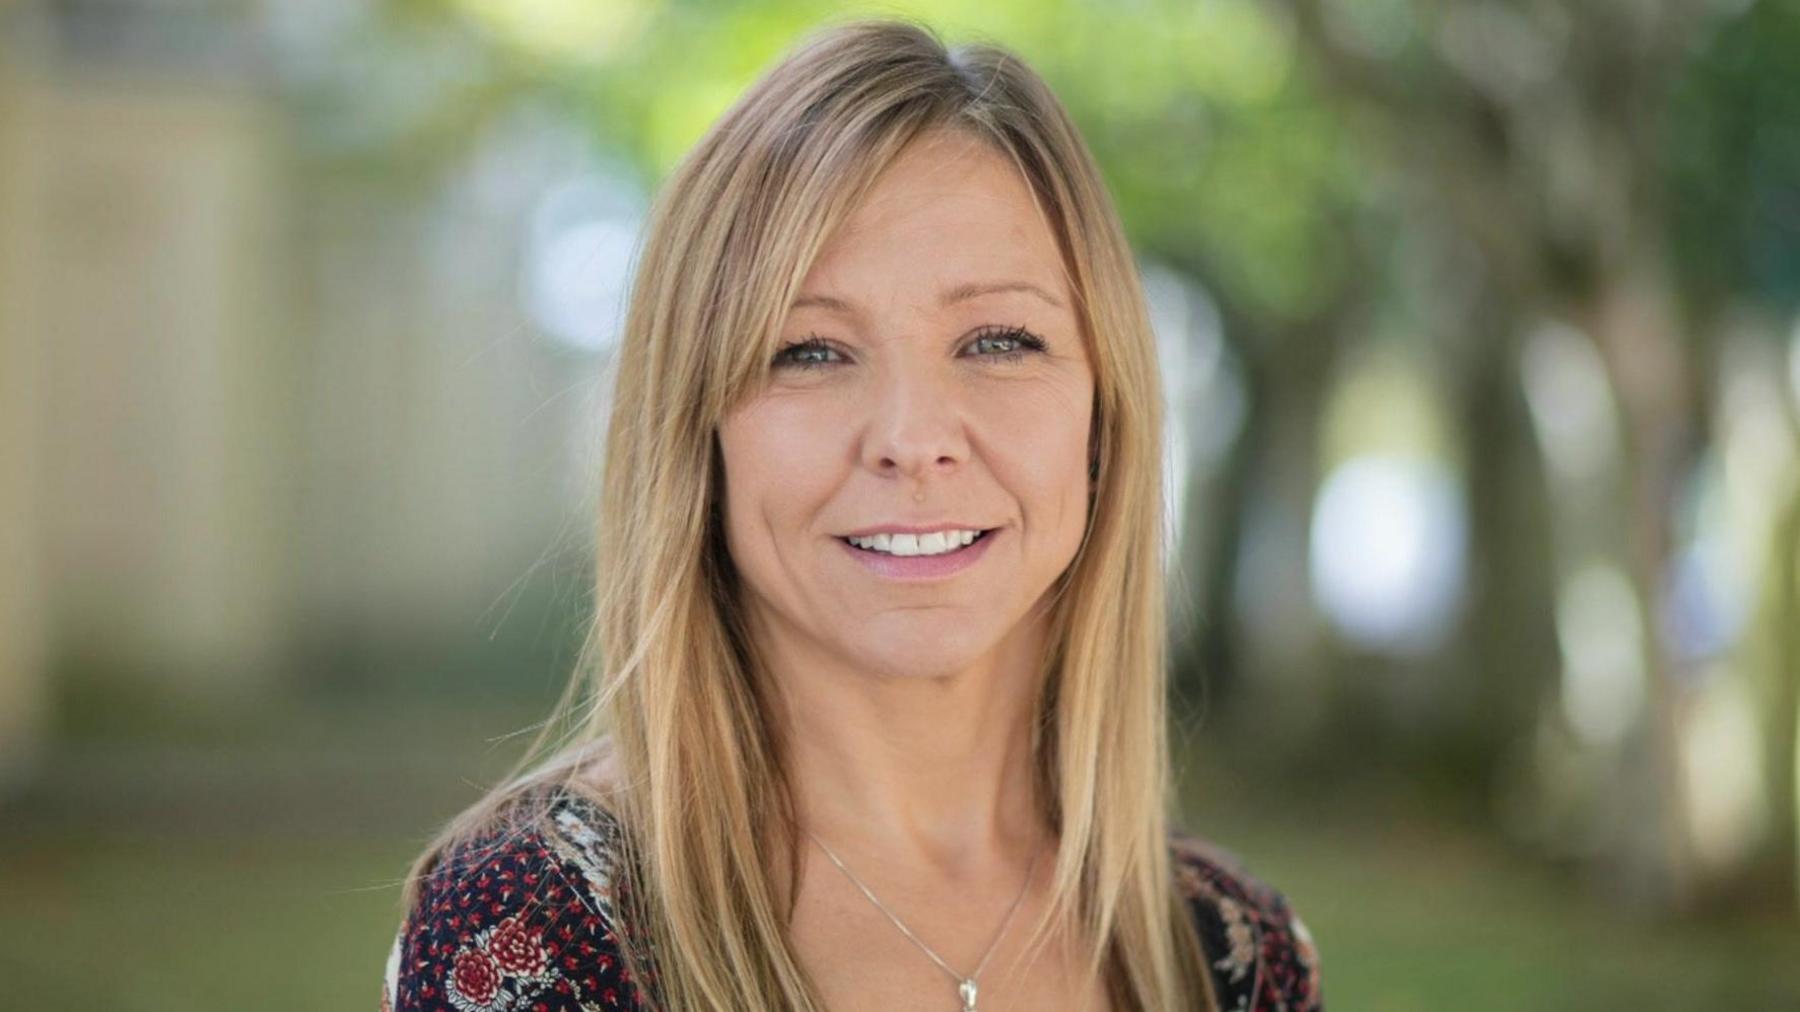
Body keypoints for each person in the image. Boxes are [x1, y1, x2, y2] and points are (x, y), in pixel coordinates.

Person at [381, 16, 1322, 1012]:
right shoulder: (537, 926)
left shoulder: (1233, 957)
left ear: (1102, 413)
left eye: (999, 339)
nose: (913, 439)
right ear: (697, 434)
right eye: (810, 351)